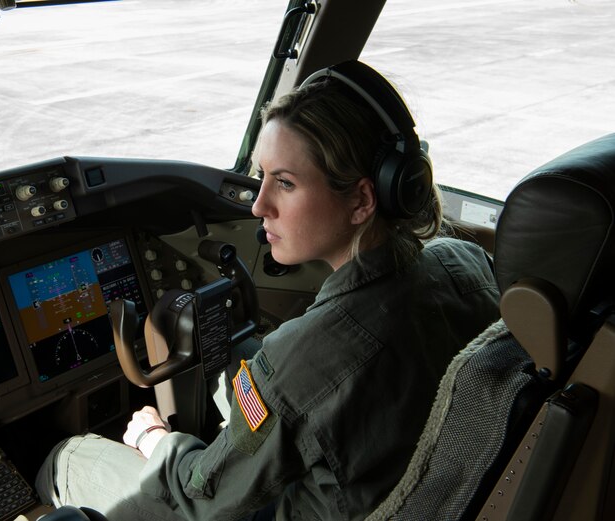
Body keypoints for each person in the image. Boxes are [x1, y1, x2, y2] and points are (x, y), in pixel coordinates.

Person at [33, 60, 501, 520]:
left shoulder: (310, 360)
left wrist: (153, 440)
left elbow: (202, 495)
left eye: (285, 183)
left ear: (361, 199)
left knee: (67, 458)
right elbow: (295, 391)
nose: (259, 205)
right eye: (261, 177)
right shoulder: (464, 262)